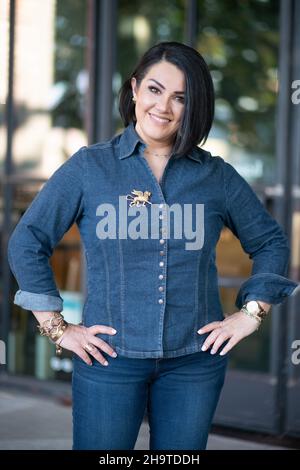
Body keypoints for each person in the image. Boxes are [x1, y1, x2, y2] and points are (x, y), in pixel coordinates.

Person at [7, 41, 298, 451]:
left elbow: (270, 241)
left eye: (181, 97)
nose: (164, 106)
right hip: (108, 359)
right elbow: (27, 240)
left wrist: (251, 313)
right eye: (155, 90)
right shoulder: (91, 167)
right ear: (134, 89)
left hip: (194, 362)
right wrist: (57, 328)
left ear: (193, 106)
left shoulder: (215, 176)